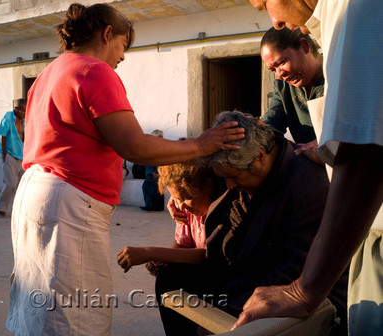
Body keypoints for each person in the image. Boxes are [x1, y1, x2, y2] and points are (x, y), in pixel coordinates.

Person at [5, 4, 245, 336]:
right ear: (107, 34)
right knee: (74, 318)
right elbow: (135, 146)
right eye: (122, 46)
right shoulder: (94, 71)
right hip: (67, 202)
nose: (122, 57)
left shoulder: (49, 73)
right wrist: (202, 145)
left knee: (45, 309)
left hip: (35, 194)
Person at [235, 1, 383, 334]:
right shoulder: (288, 83)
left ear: (304, 49)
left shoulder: (357, 10)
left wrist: (305, 290)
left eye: (264, 4)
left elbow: (363, 156)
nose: (275, 20)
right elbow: (267, 126)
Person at [154, 111, 347, 336]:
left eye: (234, 177)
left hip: (290, 295)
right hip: (245, 279)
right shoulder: (245, 171)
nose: (230, 186)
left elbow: (292, 272)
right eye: (225, 179)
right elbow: (230, 240)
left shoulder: (307, 186)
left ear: (261, 156)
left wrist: (230, 310)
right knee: (173, 279)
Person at [117, 160, 226, 273]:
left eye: (186, 198)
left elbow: (208, 255)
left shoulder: (222, 210)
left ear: (208, 186)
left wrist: (150, 253)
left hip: (219, 273)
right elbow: (182, 244)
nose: (182, 206)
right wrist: (161, 260)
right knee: (166, 276)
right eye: (177, 199)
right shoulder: (186, 211)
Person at [260, 27, 324, 163]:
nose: (279, 74)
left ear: (304, 46)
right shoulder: (284, 87)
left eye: (282, 63)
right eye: (273, 69)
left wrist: (329, 146)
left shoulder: (336, 74)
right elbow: (271, 126)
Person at [0, 99, 26, 217]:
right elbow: (2, 135)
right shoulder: (7, 118)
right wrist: (4, 154)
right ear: (16, 109)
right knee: (10, 184)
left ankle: (19, 209)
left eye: (26, 109)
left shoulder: (26, 120)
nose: (25, 112)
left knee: (21, 185)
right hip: (10, 154)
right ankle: (1, 207)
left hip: (22, 155)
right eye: (23, 110)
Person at [140, 129, 165, 211]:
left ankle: (151, 205)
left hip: (158, 174)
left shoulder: (163, 148)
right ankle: (152, 205)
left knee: (150, 183)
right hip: (153, 173)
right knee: (150, 183)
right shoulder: (149, 148)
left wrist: (160, 174)